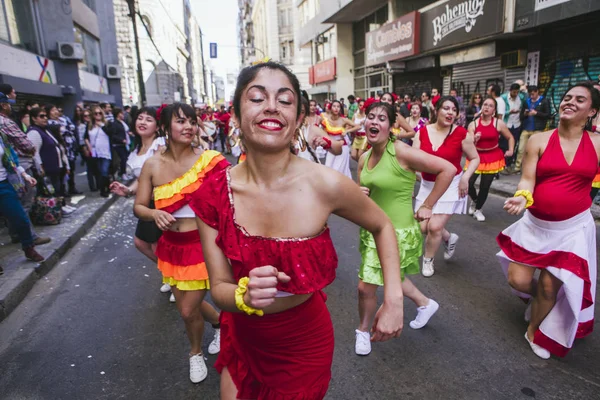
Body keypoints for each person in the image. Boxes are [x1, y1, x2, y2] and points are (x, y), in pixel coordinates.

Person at [191, 61, 404, 399]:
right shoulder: (214, 192)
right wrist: (242, 297)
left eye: (285, 100)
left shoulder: (325, 184)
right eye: (257, 98)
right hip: (244, 338)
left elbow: (382, 224)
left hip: (303, 346)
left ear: (299, 119)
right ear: (235, 115)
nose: (271, 106)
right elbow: (218, 286)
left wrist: (393, 299)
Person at [497, 82, 600, 359]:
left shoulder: (598, 143)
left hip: (573, 230)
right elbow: (528, 178)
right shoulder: (538, 140)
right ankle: (544, 301)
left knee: (548, 285)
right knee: (518, 280)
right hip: (535, 226)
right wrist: (522, 197)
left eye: (580, 100)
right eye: (567, 97)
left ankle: (534, 330)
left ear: (592, 111)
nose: (570, 102)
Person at [134, 103, 227, 383]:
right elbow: (138, 206)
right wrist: (153, 212)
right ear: (165, 127)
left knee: (187, 310)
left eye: (192, 122)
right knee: (188, 307)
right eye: (181, 121)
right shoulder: (152, 164)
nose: (189, 127)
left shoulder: (209, 160)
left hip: (203, 246)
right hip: (171, 248)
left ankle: (195, 353)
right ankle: (220, 324)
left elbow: (232, 199)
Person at [355, 101, 455, 356]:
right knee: (392, 277)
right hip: (372, 231)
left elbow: (448, 169)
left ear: (391, 127)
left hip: (397, 232)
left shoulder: (401, 152)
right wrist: (359, 194)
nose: (374, 122)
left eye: (381, 118)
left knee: (366, 286)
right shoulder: (364, 157)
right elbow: (363, 194)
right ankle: (425, 303)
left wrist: (429, 205)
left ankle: (363, 330)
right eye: (370, 117)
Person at [109, 106, 175, 300]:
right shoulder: (137, 150)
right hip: (148, 203)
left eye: (148, 119)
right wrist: (128, 190)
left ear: (157, 126)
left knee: (156, 244)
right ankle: (171, 276)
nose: (143, 122)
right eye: (140, 118)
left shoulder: (160, 145)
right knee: (142, 243)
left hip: (163, 202)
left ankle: (176, 280)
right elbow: (143, 179)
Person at [413, 96, 480, 277]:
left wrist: (466, 177)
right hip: (427, 185)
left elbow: (475, 158)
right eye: (446, 108)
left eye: (454, 110)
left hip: (451, 185)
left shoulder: (461, 134)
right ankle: (449, 238)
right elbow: (413, 159)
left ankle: (428, 260)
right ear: (436, 110)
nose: (450, 113)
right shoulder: (422, 132)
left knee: (434, 227)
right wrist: (417, 175)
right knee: (422, 227)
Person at [0, 94, 50, 246]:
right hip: (15, 168)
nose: (10, 106)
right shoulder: (5, 122)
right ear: (3, 105)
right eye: (8, 103)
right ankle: (29, 237)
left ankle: (18, 234)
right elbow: (27, 145)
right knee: (23, 205)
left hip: (14, 168)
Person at [466, 97, 515, 221]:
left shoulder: (498, 123)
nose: (486, 107)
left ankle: (478, 209)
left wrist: (510, 150)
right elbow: (468, 141)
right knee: (468, 182)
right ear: (482, 107)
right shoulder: (474, 124)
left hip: (493, 157)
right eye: (485, 104)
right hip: (476, 157)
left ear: (494, 110)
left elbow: (510, 137)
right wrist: (474, 139)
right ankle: (476, 201)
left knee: (485, 186)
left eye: (490, 105)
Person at [27, 108, 66, 197]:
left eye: (46, 116)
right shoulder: (34, 132)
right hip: (46, 169)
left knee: (57, 189)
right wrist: (40, 167)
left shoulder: (45, 129)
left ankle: (60, 206)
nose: (45, 118)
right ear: (34, 118)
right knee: (50, 192)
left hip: (54, 167)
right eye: (41, 116)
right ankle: (54, 209)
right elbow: (34, 152)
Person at [514, 85, 551, 173]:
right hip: (526, 128)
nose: (531, 96)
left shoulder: (544, 101)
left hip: (537, 129)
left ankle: (533, 168)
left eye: (533, 94)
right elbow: (521, 116)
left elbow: (548, 115)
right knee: (521, 149)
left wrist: (536, 113)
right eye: (530, 94)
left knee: (534, 150)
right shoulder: (527, 102)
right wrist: (525, 114)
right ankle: (518, 167)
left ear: (537, 92)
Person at [321, 100, 361, 178]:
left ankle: (341, 187)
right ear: (330, 107)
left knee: (339, 169)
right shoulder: (326, 119)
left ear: (340, 108)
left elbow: (358, 126)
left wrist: (347, 131)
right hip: (331, 146)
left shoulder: (343, 120)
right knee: (328, 167)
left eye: (338, 106)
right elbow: (322, 130)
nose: (336, 108)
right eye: (334, 106)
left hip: (342, 146)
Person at [295, 97, 343, 163]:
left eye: (302, 111)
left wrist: (327, 143)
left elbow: (338, 149)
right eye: (295, 110)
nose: (297, 115)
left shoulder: (312, 127)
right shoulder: (280, 131)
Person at [84, 106, 112, 197]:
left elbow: (111, 133)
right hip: (95, 152)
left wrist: (102, 126)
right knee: (99, 172)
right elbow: (86, 137)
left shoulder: (106, 124)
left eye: (100, 113)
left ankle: (105, 189)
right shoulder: (89, 125)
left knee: (104, 171)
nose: (98, 115)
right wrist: (89, 147)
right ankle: (103, 188)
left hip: (106, 151)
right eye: (96, 113)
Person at [501, 83, 526, 172]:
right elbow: (500, 111)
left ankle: (508, 164)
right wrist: (509, 112)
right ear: (510, 90)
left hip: (516, 124)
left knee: (513, 145)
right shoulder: (503, 98)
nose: (515, 94)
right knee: (504, 145)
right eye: (514, 92)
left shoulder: (521, 97)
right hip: (506, 124)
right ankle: (502, 164)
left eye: (517, 92)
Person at [109, 108, 130, 181]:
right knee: (123, 159)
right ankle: (122, 173)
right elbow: (113, 135)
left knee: (125, 158)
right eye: (121, 113)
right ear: (118, 114)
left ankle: (123, 173)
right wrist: (121, 140)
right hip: (118, 145)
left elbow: (125, 131)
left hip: (124, 144)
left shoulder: (121, 122)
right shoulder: (115, 123)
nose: (123, 114)